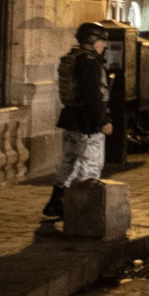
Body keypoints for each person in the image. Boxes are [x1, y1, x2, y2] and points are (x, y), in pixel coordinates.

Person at [43, 22, 113, 218]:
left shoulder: (74, 58)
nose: (104, 46)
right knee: (89, 166)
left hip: (72, 118)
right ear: (93, 42)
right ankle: (80, 212)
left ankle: (56, 202)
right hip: (87, 122)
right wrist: (103, 121)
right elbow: (92, 95)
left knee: (70, 162)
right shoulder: (89, 63)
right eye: (102, 42)